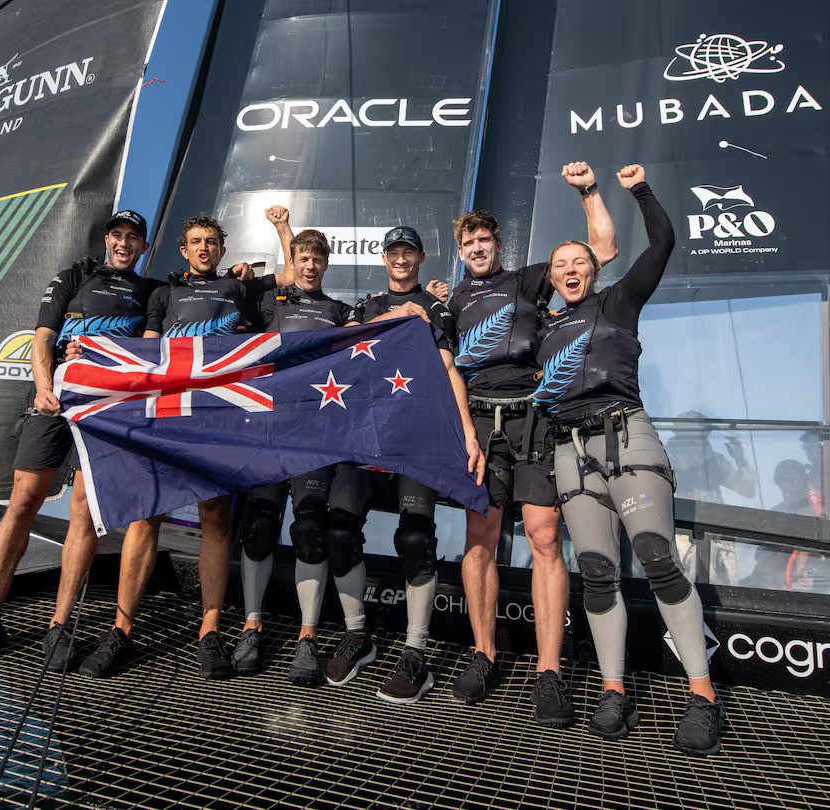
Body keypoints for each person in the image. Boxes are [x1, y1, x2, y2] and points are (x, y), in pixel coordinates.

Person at [535, 163, 724, 754]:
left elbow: (663, 241)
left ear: (596, 269)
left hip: (628, 436)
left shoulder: (619, 303)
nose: (570, 270)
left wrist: (635, 190)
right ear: (552, 277)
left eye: (579, 262)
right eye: (561, 265)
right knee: (596, 571)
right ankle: (613, 691)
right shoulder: (539, 326)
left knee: (656, 557)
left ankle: (702, 695)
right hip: (571, 451)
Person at [0, 211, 166, 667]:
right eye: (118, 236)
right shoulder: (74, 276)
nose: (125, 244)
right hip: (53, 399)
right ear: (107, 239)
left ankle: (60, 626)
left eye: (133, 239)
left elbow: (144, 354)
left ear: (143, 247)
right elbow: (43, 335)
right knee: (24, 498)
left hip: (102, 408)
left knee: (83, 510)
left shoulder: (150, 292)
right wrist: (45, 386)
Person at [446, 161, 617, 713]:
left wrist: (588, 192)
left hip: (534, 419)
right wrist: (466, 433)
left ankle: (549, 671)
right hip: (480, 426)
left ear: (498, 243)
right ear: (461, 249)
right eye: (468, 240)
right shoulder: (451, 302)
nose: (477, 246)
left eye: (485, 238)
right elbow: (446, 368)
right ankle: (483, 653)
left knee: (545, 539)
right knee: (481, 541)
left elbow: (597, 252)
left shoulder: (525, 281)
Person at [97, 211, 297, 679]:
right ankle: (122, 630)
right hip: (167, 414)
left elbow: (289, 273)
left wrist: (283, 228)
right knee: (147, 516)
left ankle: (210, 632)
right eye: (195, 242)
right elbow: (142, 353)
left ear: (223, 251)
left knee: (215, 517)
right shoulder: (164, 295)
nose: (204, 248)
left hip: (219, 415)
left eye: (211, 241)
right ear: (183, 251)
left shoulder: (241, 288)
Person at [310, 225, 485, 703]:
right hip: (365, 438)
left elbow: (449, 369)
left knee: (414, 538)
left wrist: (468, 431)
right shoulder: (364, 307)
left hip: (414, 439)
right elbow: (338, 356)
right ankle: (357, 634)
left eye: (408, 252)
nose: (401, 259)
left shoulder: (437, 308)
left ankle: (415, 653)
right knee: (339, 529)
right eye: (394, 253)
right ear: (384, 259)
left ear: (421, 258)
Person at [231, 211, 360, 684]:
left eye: (316, 260)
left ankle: (306, 639)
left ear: (327, 266)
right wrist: (242, 272)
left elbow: (375, 335)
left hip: (314, 436)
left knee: (309, 530)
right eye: (302, 258)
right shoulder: (271, 300)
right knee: (259, 528)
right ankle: (251, 626)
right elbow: (228, 298)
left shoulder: (340, 312)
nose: (309, 266)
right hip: (268, 431)